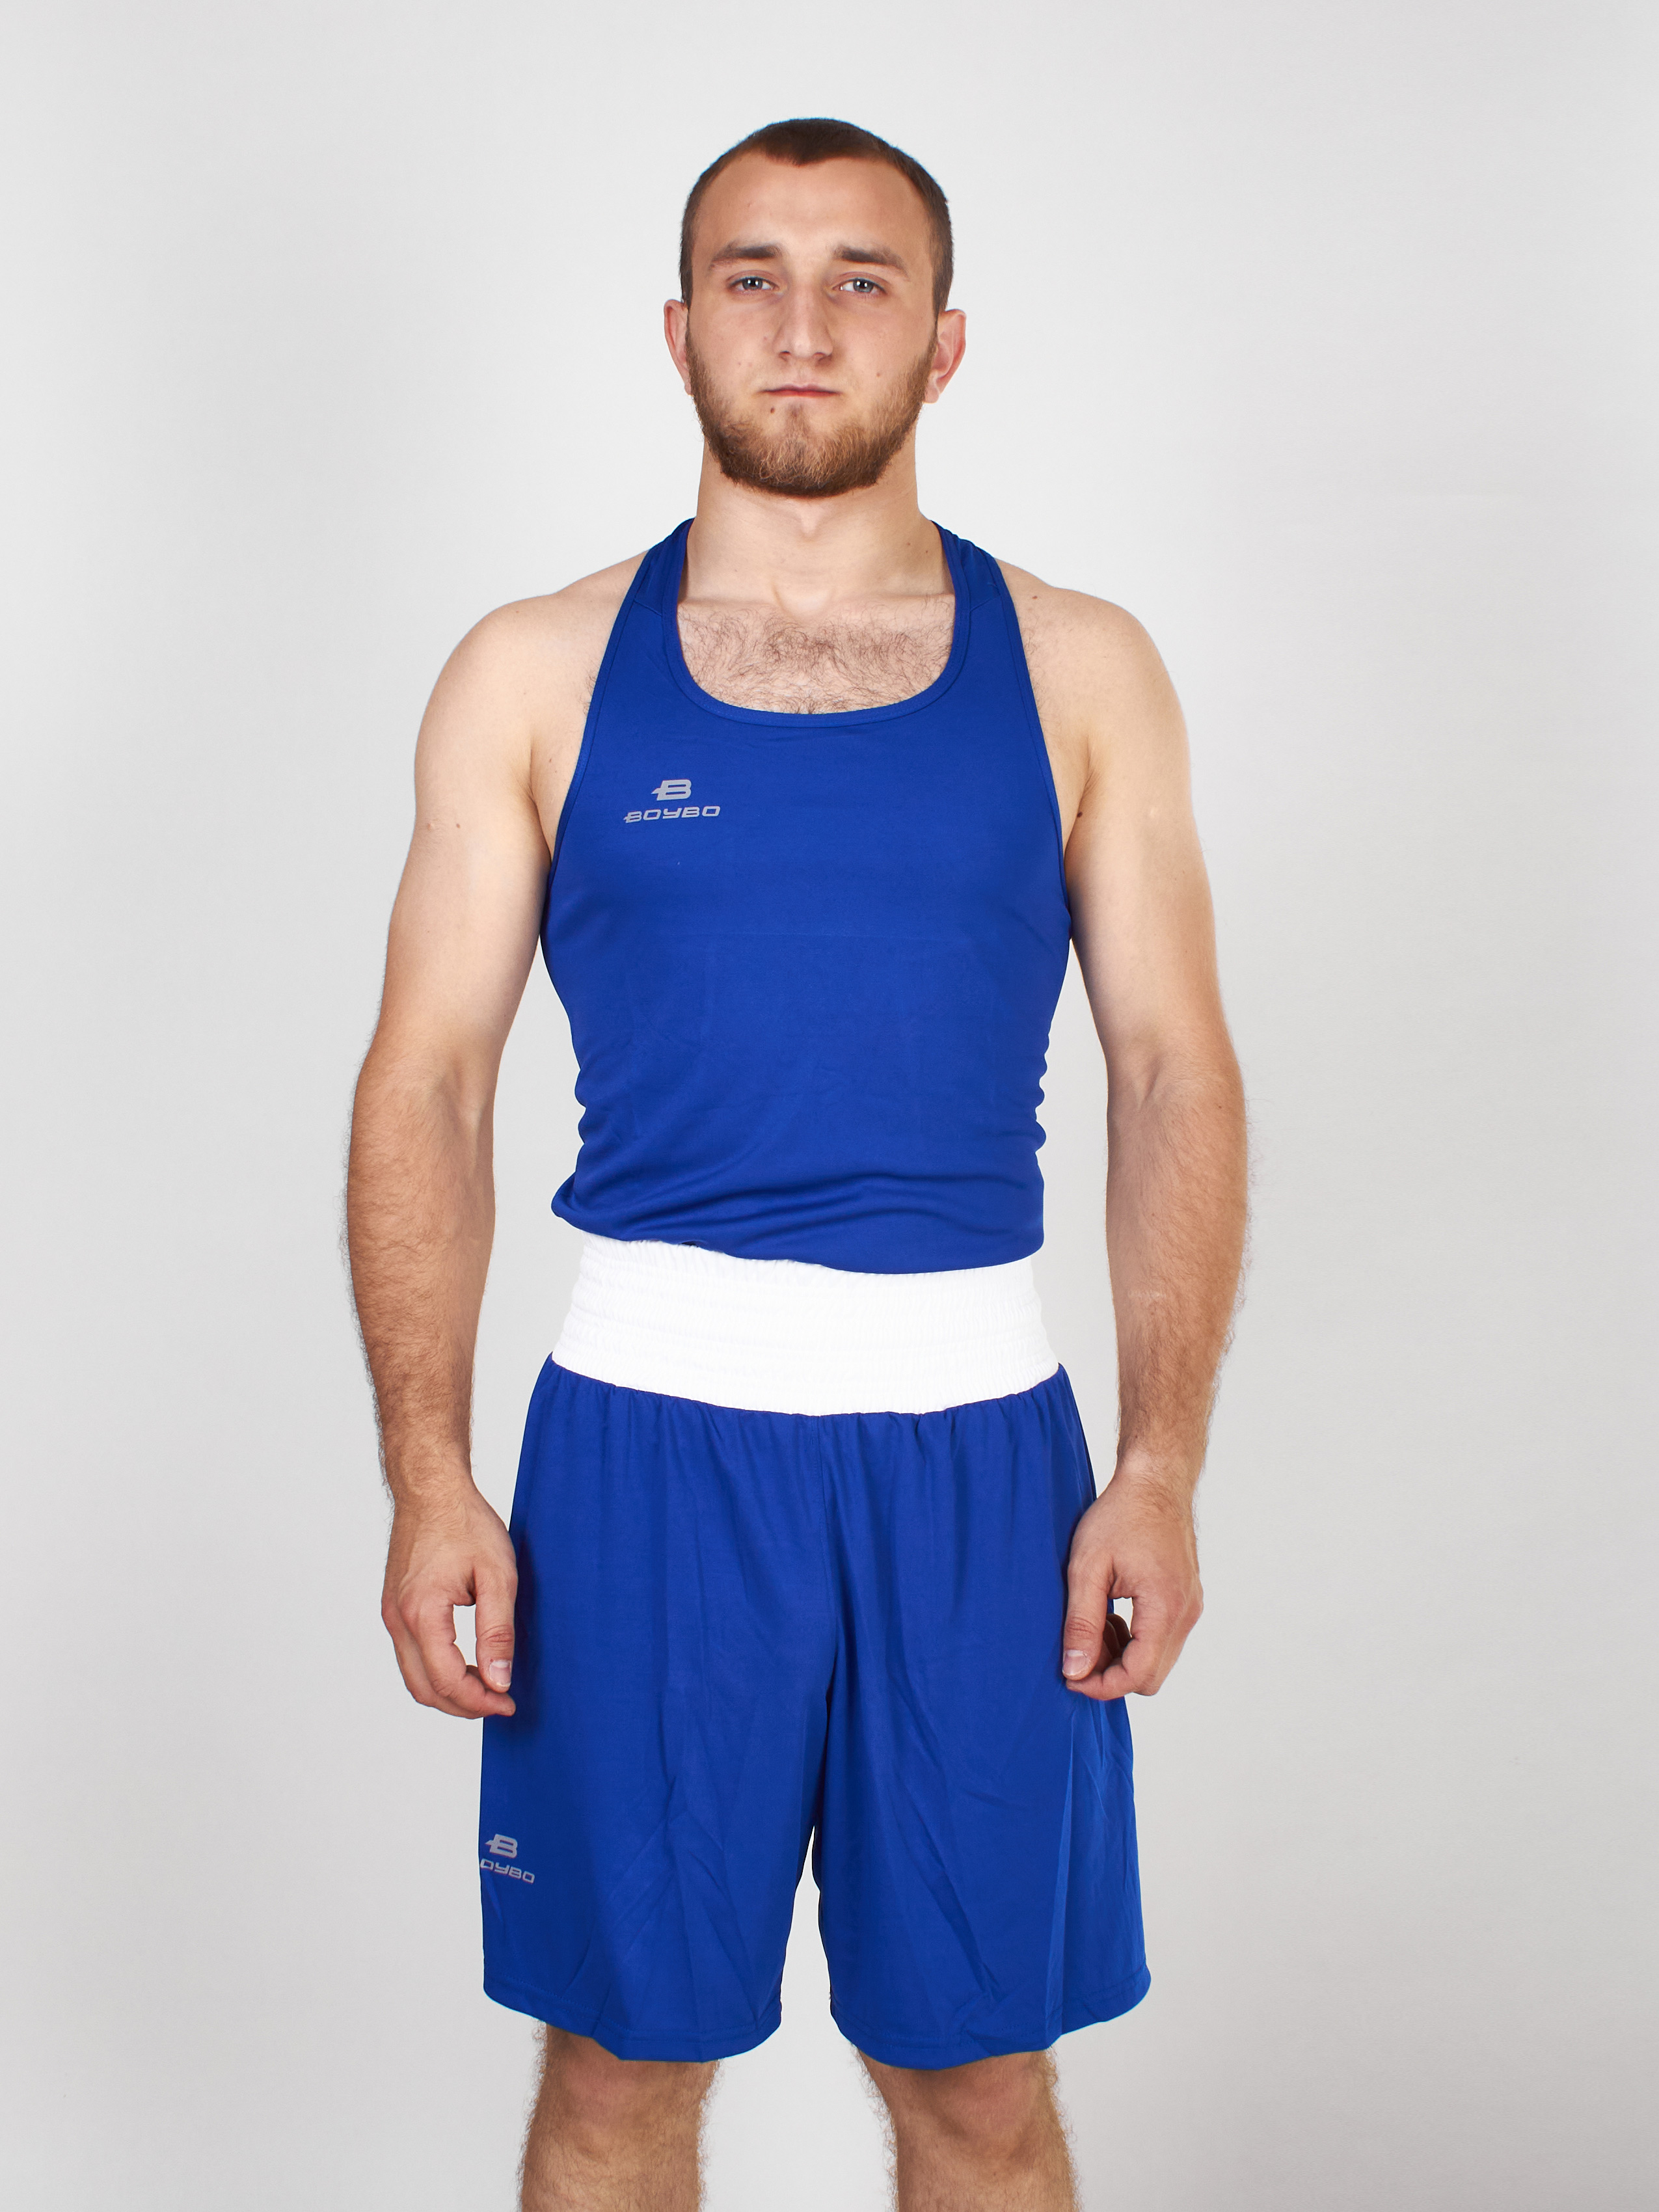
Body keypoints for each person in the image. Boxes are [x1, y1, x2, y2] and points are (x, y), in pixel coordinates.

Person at [347, 115, 1247, 2212]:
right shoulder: (535, 670)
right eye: (753, 276)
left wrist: (1161, 1463)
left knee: (981, 2090)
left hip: (983, 1466)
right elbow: (431, 1085)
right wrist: (429, 1475)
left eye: (864, 278)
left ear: (946, 341)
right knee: (618, 2079)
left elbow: (1172, 1073)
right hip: (646, 1462)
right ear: (680, 333)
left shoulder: (1082, 667)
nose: (806, 324)